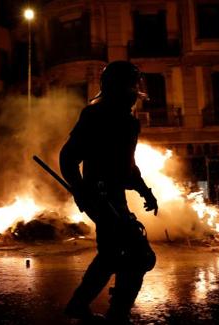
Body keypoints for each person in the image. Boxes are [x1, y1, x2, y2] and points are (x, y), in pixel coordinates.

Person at [60, 61, 158, 324]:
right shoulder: (95, 115)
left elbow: (128, 166)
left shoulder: (128, 122)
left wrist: (145, 192)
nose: (135, 91)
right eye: (130, 84)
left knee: (114, 255)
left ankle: (81, 305)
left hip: (116, 197)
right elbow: (68, 157)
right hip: (99, 196)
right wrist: (81, 191)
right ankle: (116, 314)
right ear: (117, 86)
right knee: (138, 255)